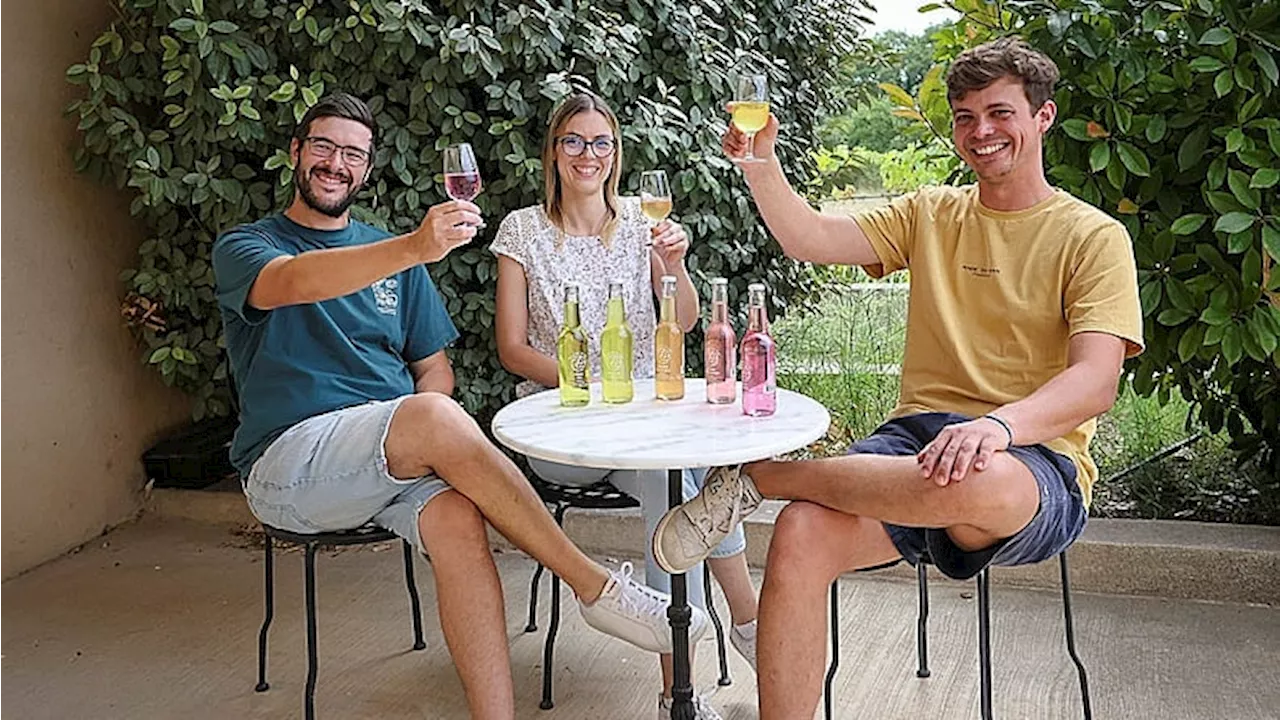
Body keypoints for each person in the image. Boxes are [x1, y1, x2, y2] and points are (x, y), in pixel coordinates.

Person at [650, 38, 1144, 718]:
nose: (982, 132)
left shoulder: (1092, 236)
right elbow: (813, 239)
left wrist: (997, 428)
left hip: (1031, 460)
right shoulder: (931, 212)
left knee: (978, 476)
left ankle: (760, 477)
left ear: (1043, 117)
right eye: (965, 117)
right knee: (799, 532)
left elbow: (1094, 381)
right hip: (912, 447)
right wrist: (761, 169)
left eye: (999, 112)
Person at [212, 92, 694, 720]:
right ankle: (593, 585)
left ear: (366, 168)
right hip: (293, 465)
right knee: (431, 417)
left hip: (391, 462)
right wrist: (414, 251)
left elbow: (433, 373)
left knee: (460, 519)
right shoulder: (249, 245)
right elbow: (295, 282)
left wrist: (418, 435)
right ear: (296, 153)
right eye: (324, 147)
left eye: (352, 154)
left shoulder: (394, 259)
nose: (336, 163)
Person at [491, 92, 760, 720]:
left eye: (601, 142)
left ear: (617, 154)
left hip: (647, 427)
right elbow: (512, 349)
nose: (589, 154)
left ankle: (677, 690)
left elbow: (685, 321)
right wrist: (591, 383)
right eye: (574, 141)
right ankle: (747, 623)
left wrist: (675, 266)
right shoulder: (523, 231)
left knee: (678, 487)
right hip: (566, 431)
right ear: (554, 152)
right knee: (689, 486)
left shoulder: (643, 224)